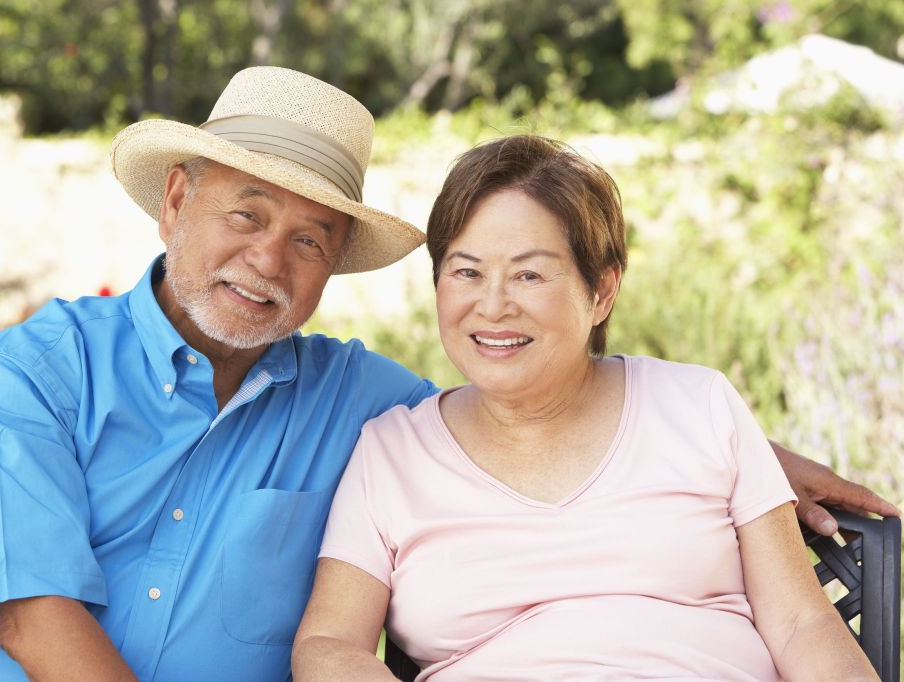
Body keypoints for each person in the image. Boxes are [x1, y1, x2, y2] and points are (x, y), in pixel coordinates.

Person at [0, 67, 894, 681]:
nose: (268, 261)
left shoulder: (355, 401)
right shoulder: (36, 373)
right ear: (175, 201)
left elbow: (530, 415)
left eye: (309, 239)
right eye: (246, 217)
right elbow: (33, 618)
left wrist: (745, 457)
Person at [292, 136, 883, 681]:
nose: (492, 306)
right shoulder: (391, 451)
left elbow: (801, 623)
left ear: (602, 291)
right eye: (466, 272)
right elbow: (329, 645)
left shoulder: (700, 406)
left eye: (529, 274)